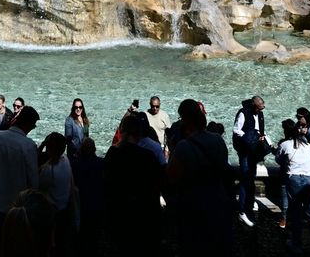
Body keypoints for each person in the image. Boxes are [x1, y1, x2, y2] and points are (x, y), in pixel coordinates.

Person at [166, 98, 232, 255]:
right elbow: (223, 167)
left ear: (185, 120)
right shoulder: (218, 140)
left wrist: (171, 147)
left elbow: (172, 177)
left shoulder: (183, 146)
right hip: (217, 199)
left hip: (192, 202)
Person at [103, 112, 162, 249]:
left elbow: (107, 183)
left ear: (122, 132)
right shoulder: (148, 156)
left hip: (120, 213)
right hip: (143, 214)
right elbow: (156, 185)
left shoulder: (113, 154)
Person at [0, 104, 40, 229]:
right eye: (33, 125)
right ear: (28, 124)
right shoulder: (28, 146)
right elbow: (33, 181)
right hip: (17, 206)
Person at [278, 118, 310, 257]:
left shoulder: (285, 144)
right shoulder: (308, 146)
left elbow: (278, 159)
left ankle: (296, 244)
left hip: (294, 179)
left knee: (296, 214)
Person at [232, 95, 271, 227]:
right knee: (245, 178)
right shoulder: (243, 113)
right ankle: (242, 210)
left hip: (255, 150)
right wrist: (251, 137)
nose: (262, 108)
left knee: (251, 176)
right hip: (245, 150)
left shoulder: (259, 113)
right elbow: (236, 130)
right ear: (254, 105)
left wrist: (262, 139)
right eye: (260, 105)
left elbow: (260, 129)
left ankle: (249, 201)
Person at [37, 132, 76, 246]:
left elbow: (39, 186)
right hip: (63, 207)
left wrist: (42, 144)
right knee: (61, 241)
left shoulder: (49, 170)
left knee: (50, 242)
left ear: (49, 147)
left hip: (52, 211)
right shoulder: (65, 160)